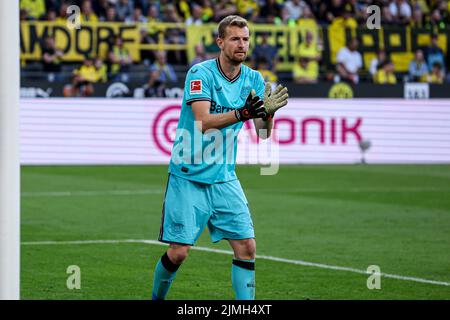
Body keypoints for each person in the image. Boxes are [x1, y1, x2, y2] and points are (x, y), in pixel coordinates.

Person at [151, 15, 288, 301]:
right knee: (179, 253)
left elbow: (263, 134)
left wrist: (269, 113)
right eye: (235, 39)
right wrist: (243, 113)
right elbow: (203, 121)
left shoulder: (253, 79)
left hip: (224, 176)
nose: (242, 44)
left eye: (246, 39)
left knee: (247, 247)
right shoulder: (200, 73)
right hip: (188, 174)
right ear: (220, 41)